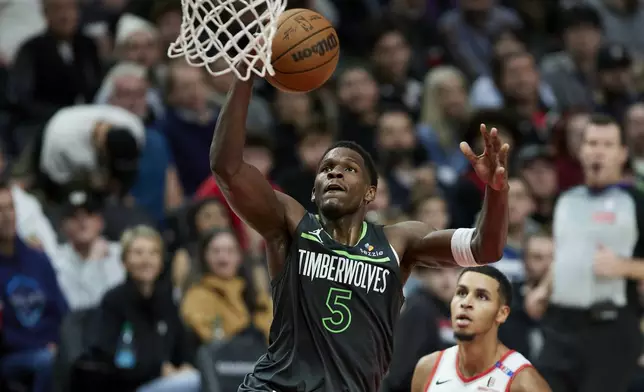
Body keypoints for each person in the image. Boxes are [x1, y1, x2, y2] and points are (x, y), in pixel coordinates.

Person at [211, 70, 511, 392]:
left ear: (370, 192)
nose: (335, 174)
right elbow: (227, 168)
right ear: (314, 191)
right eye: (326, 169)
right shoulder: (293, 225)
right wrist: (244, 78)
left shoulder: (399, 241)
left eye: (348, 169)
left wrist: (495, 190)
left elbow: (485, 249)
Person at [411, 266, 551, 392]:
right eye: (461, 293)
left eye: (481, 296)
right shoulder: (427, 368)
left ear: (501, 314)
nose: (466, 303)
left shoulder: (522, 380)